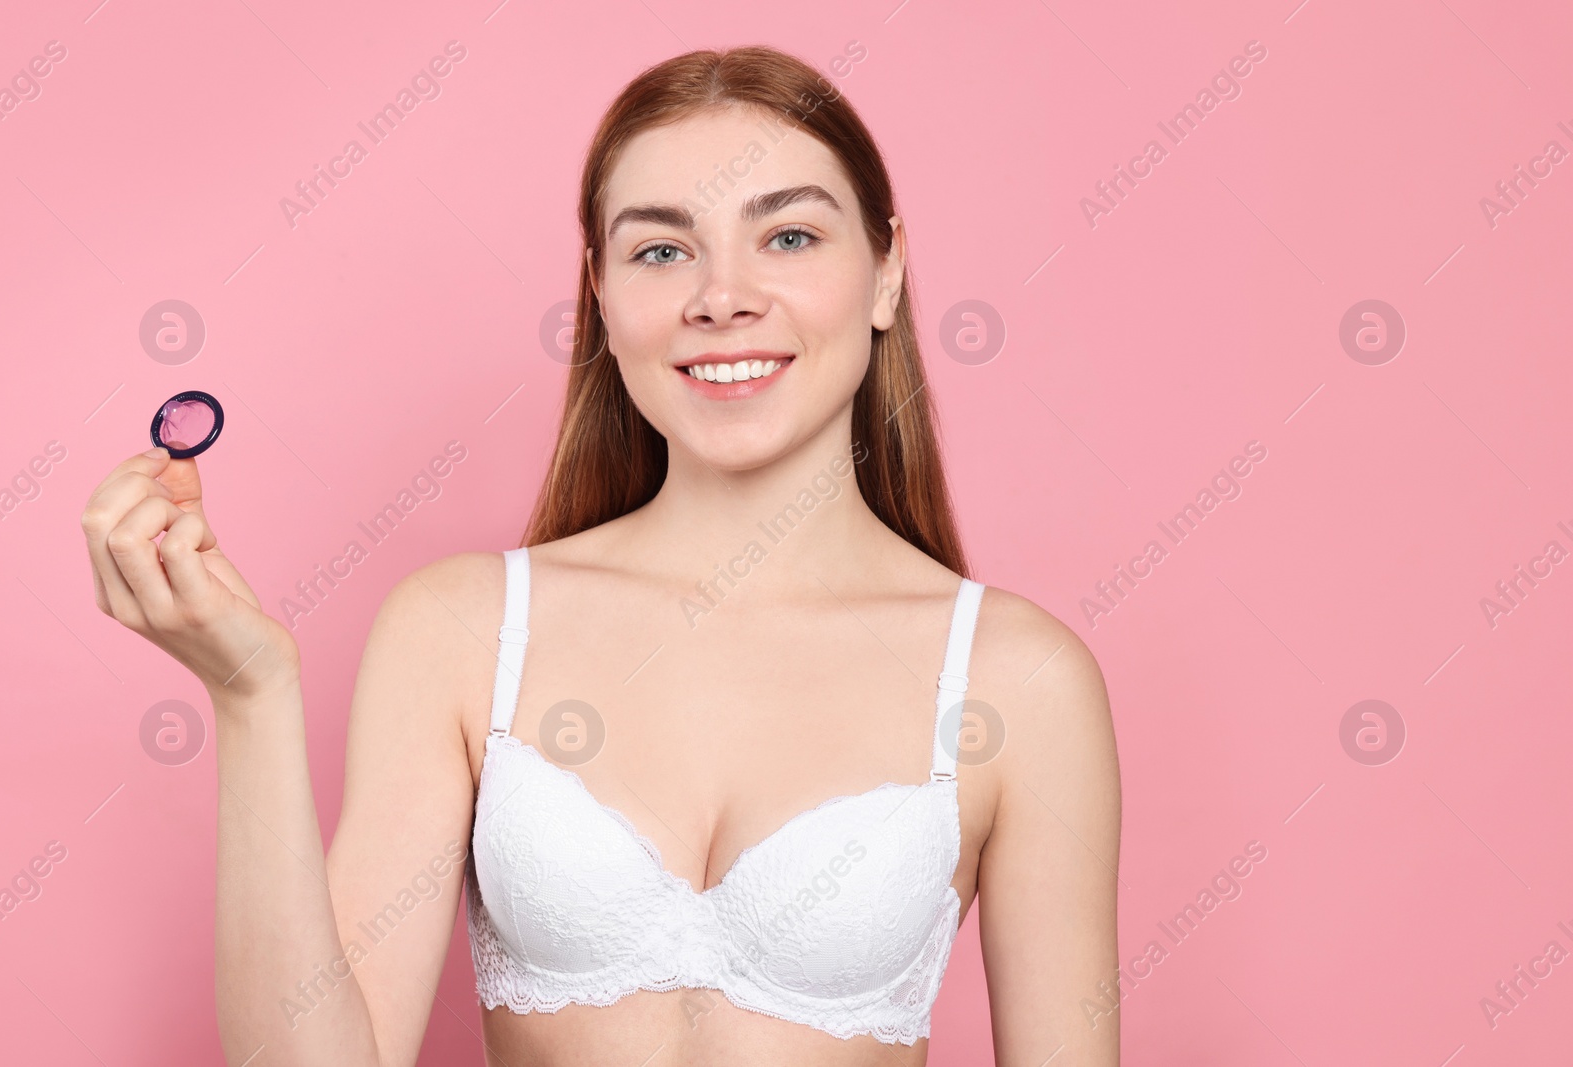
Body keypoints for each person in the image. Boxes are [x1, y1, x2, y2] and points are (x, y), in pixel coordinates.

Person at [80, 44, 1120, 1067]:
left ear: (887, 271)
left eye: (790, 236)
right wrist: (252, 696)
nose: (722, 296)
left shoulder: (1016, 679)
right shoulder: (462, 629)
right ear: (603, 297)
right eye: (661, 250)